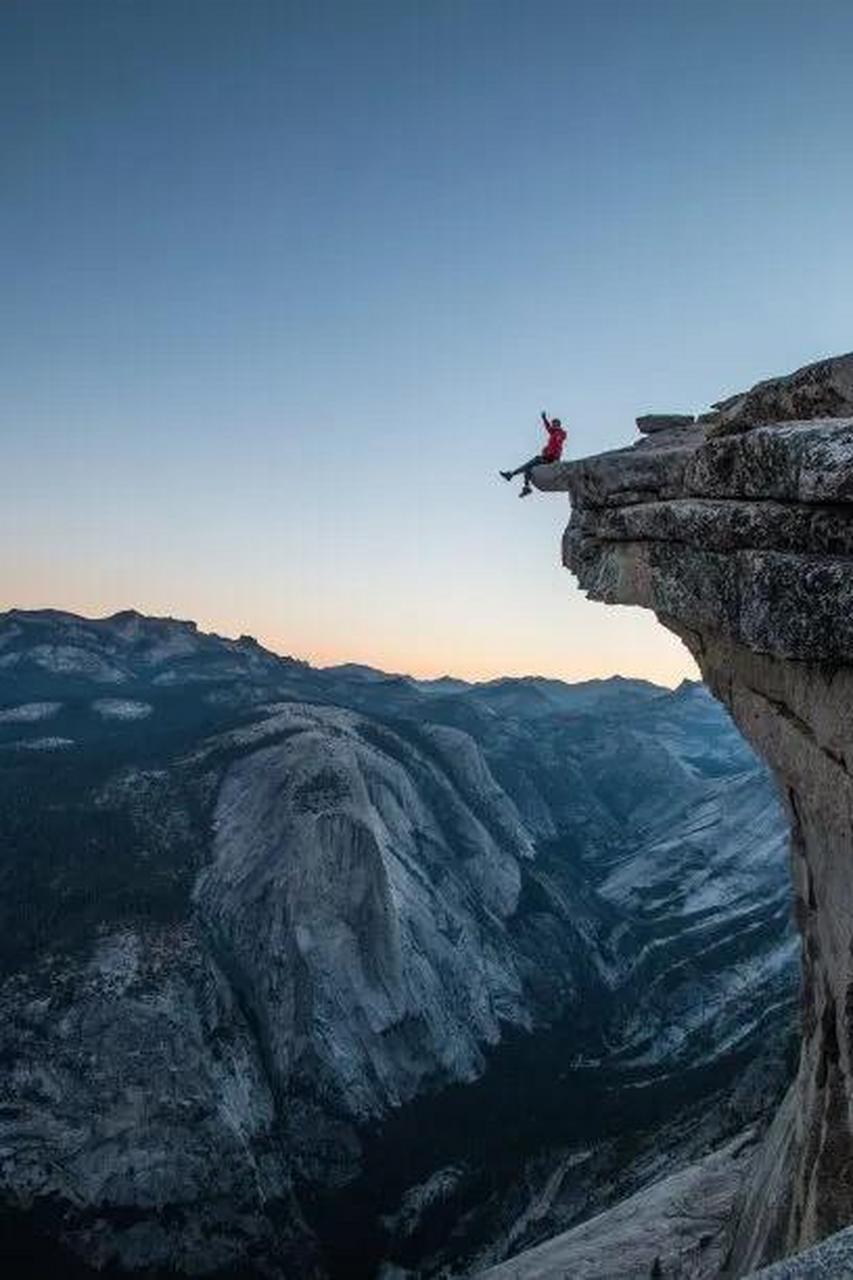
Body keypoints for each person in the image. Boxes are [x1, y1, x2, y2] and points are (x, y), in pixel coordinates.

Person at [500, 411, 567, 497]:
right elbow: (548, 428)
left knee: (534, 460)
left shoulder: (560, 433)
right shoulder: (553, 433)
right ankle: (526, 487)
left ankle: (511, 474)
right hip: (547, 457)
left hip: (551, 458)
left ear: (558, 425)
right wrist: (544, 419)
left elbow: (558, 443)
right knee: (528, 468)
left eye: (554, 424)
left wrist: (551, 454)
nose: (553, 426)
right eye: (553, 424)